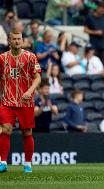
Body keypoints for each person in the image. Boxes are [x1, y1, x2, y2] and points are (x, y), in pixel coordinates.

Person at [0, 29, 41, 173]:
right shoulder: (2, 58)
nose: (17, 41)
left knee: (27, 132)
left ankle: (28, 164)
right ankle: (3, 162)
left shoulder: (30, 57)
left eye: (19, 39)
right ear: (9, 41)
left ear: (22, 40)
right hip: (7, 101)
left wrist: (29, 92)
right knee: (6, 129)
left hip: (25, 102)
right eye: (14, 39)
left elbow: (37, 78)